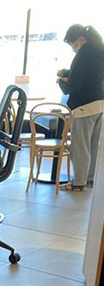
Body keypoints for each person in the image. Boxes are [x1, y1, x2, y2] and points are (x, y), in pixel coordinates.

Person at [57, 24, 104, 191]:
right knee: (94, 146)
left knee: (80, 146)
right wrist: (67, 73)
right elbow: (88, 76)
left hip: (84, 105)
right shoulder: (99, 50)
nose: (72, 47)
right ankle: (91, 179)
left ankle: (78, 182)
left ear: (79, 39)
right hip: (99, 103)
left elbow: (74, 85)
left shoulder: (84, 54)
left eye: (71, 43)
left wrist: (61, 82)